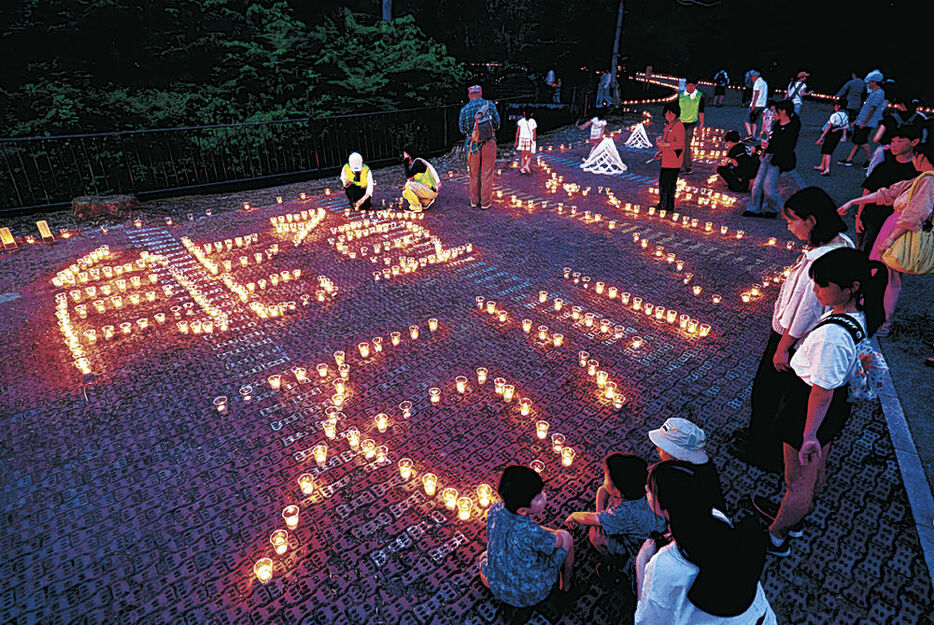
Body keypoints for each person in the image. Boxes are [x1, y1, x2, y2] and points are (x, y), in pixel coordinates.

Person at [752, 247, 887, 556]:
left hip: (808, 409)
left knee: (796, 480)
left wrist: (809, 434)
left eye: (822, 285)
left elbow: (821, 391)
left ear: (851, 288)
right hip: (830, 409)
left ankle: (776, 535)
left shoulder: (832, 338)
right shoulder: (856, 314)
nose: (815, 291)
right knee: (813, 470)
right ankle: (795, 515)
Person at [729, 188, 852, 472]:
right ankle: (763, 438)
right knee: (775, 393)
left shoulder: (821, 261)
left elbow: (806, 311)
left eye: (792, 220)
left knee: (767, 392)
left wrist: (783, 346)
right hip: (800, 338)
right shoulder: (841, 243)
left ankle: (765, 449)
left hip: (793, 340)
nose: (788, 225)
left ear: (811, 220)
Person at [634, 461, 777, 624]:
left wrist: (641, 562)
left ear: (666, 505)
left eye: (651, 489)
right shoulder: (718, 517)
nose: (646, 489)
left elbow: (649, 620)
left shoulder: (664, 564)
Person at [838, 141, 934, 336]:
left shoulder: (928, 181)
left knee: (890, 278)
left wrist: (891, 238)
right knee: (884, 274)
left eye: (916, 156)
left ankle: (883, 321)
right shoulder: (921, 179)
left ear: (922, 157)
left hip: (900, 232)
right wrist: (853, 202)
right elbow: (887, 193)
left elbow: (915, 213)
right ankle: (875, 314)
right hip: (894, 228)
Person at [479, 465, 574, 607]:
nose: (544, 496)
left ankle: (495, 583)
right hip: (530, 593)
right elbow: (557, 541)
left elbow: (519, 531)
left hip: (498, 586)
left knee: (484, 556)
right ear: (523, 511)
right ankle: (566, 584)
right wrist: (553, 534)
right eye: (539, 496)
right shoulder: (532, 533)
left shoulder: (495, 509)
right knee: (566, 537)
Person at [563, 453, 665, 559]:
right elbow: (602, 490)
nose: (603, 480)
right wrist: (600, 512)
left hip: (640, 546)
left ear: (619, 493)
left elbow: (588, 518)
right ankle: (604, 518)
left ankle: (616, 563)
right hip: (651, 524)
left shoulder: (623, 513)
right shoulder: (645, 481)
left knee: (596, 536)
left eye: (606, 478)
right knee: (603, 491)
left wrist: (574, 515)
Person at [852, 125, 921, 254]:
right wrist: (859, 217)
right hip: (873, 217)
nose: (894, 145)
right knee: (865, 251)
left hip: (897, 222)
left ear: (914, 142)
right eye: (892, 141)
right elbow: (867, 191)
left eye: (900, 141)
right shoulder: (884, 166)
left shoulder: (918, 169)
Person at [648, 417, 724, 512]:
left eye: (662, 446)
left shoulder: (677, 480)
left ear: (676, 453)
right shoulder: (705, 467)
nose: (657, 448)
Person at [744, 100, 804, 218]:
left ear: (784, 111)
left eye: (778, 110)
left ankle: (773, 209)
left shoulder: (792, 127)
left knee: (769, 186)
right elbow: (772, 140)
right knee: (757, 184)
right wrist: (764, 150)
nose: (775, 112)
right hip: (768, 155)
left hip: (778, 159)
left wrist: (769, 146)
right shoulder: (777, 124)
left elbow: (786, 145)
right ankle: (754, 208)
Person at [458, 85, 501, 210]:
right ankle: (485, 203)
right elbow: (497, 124)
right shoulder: (489, 105)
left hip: (472, 145)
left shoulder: (464, 109)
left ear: (469, 95)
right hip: (489, 142)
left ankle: (474, 201)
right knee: (487, 173)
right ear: (481, 93)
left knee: (473, 173)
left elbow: (462, 129)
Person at [866, 93, 929, 174]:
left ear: (902, 104)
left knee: (874, 169)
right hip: (911, 151)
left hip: (889, 149)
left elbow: (876, 138)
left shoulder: (890, 117)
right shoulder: (921, 119)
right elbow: (924, 139)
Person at [839, 70, 887, 168]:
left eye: (869, 82)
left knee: (862, 141)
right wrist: (857, 120)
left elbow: (872, 109)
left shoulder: (878, 93)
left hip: (867, 122)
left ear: (874, 82)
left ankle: (870, 160)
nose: (868, 84)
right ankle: (849, 159)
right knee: (858, 141)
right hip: (863, 121)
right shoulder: (875, 93)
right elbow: (867, 109)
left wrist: (864, 122)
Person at [654, 101, 685, 214]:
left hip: (674, 161)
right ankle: (663, 204)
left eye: (671, 114)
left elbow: (680, 144)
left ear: (676, 113)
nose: (668, 116)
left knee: (669, 184)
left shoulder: (678, 126)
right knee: (663, 183)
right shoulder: (668, 126)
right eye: (666, 114)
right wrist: (660, 151)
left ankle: (668, 206)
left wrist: (665, 145)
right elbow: (666, 140)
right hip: (666, 160)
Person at [814, 98, 850, 176]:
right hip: (838, 134)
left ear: (838, 106)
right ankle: (822, 165)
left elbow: (828, 127)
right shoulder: (845, 115)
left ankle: (827, 168)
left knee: (827, 151)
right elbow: (846, 126)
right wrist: (844, 136)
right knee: (827, 149)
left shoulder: (834, 115)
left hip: (831, 132)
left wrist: (821, 137)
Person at [678, 78, 705, 175]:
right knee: (679, 144)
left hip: (690, 123)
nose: (690, 87)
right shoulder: (680, 95)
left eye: (692, 85)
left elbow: (701, 110)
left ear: (696, 85)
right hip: (679, 122)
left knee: (686, 144)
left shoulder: (699, 96)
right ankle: (678, 164)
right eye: (688, 85)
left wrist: (702, 123)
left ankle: (686, 166)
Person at [744, 70, 768, 139]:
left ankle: (750, 135)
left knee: (746, 120)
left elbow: (756, 93)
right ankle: (753, 135)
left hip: (756, 104)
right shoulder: (764, 82)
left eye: (752, 77)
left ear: (755, 76)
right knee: (754, 121)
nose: (752, 79)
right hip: (762, 105)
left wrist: (753, 104)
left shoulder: (757, 82)